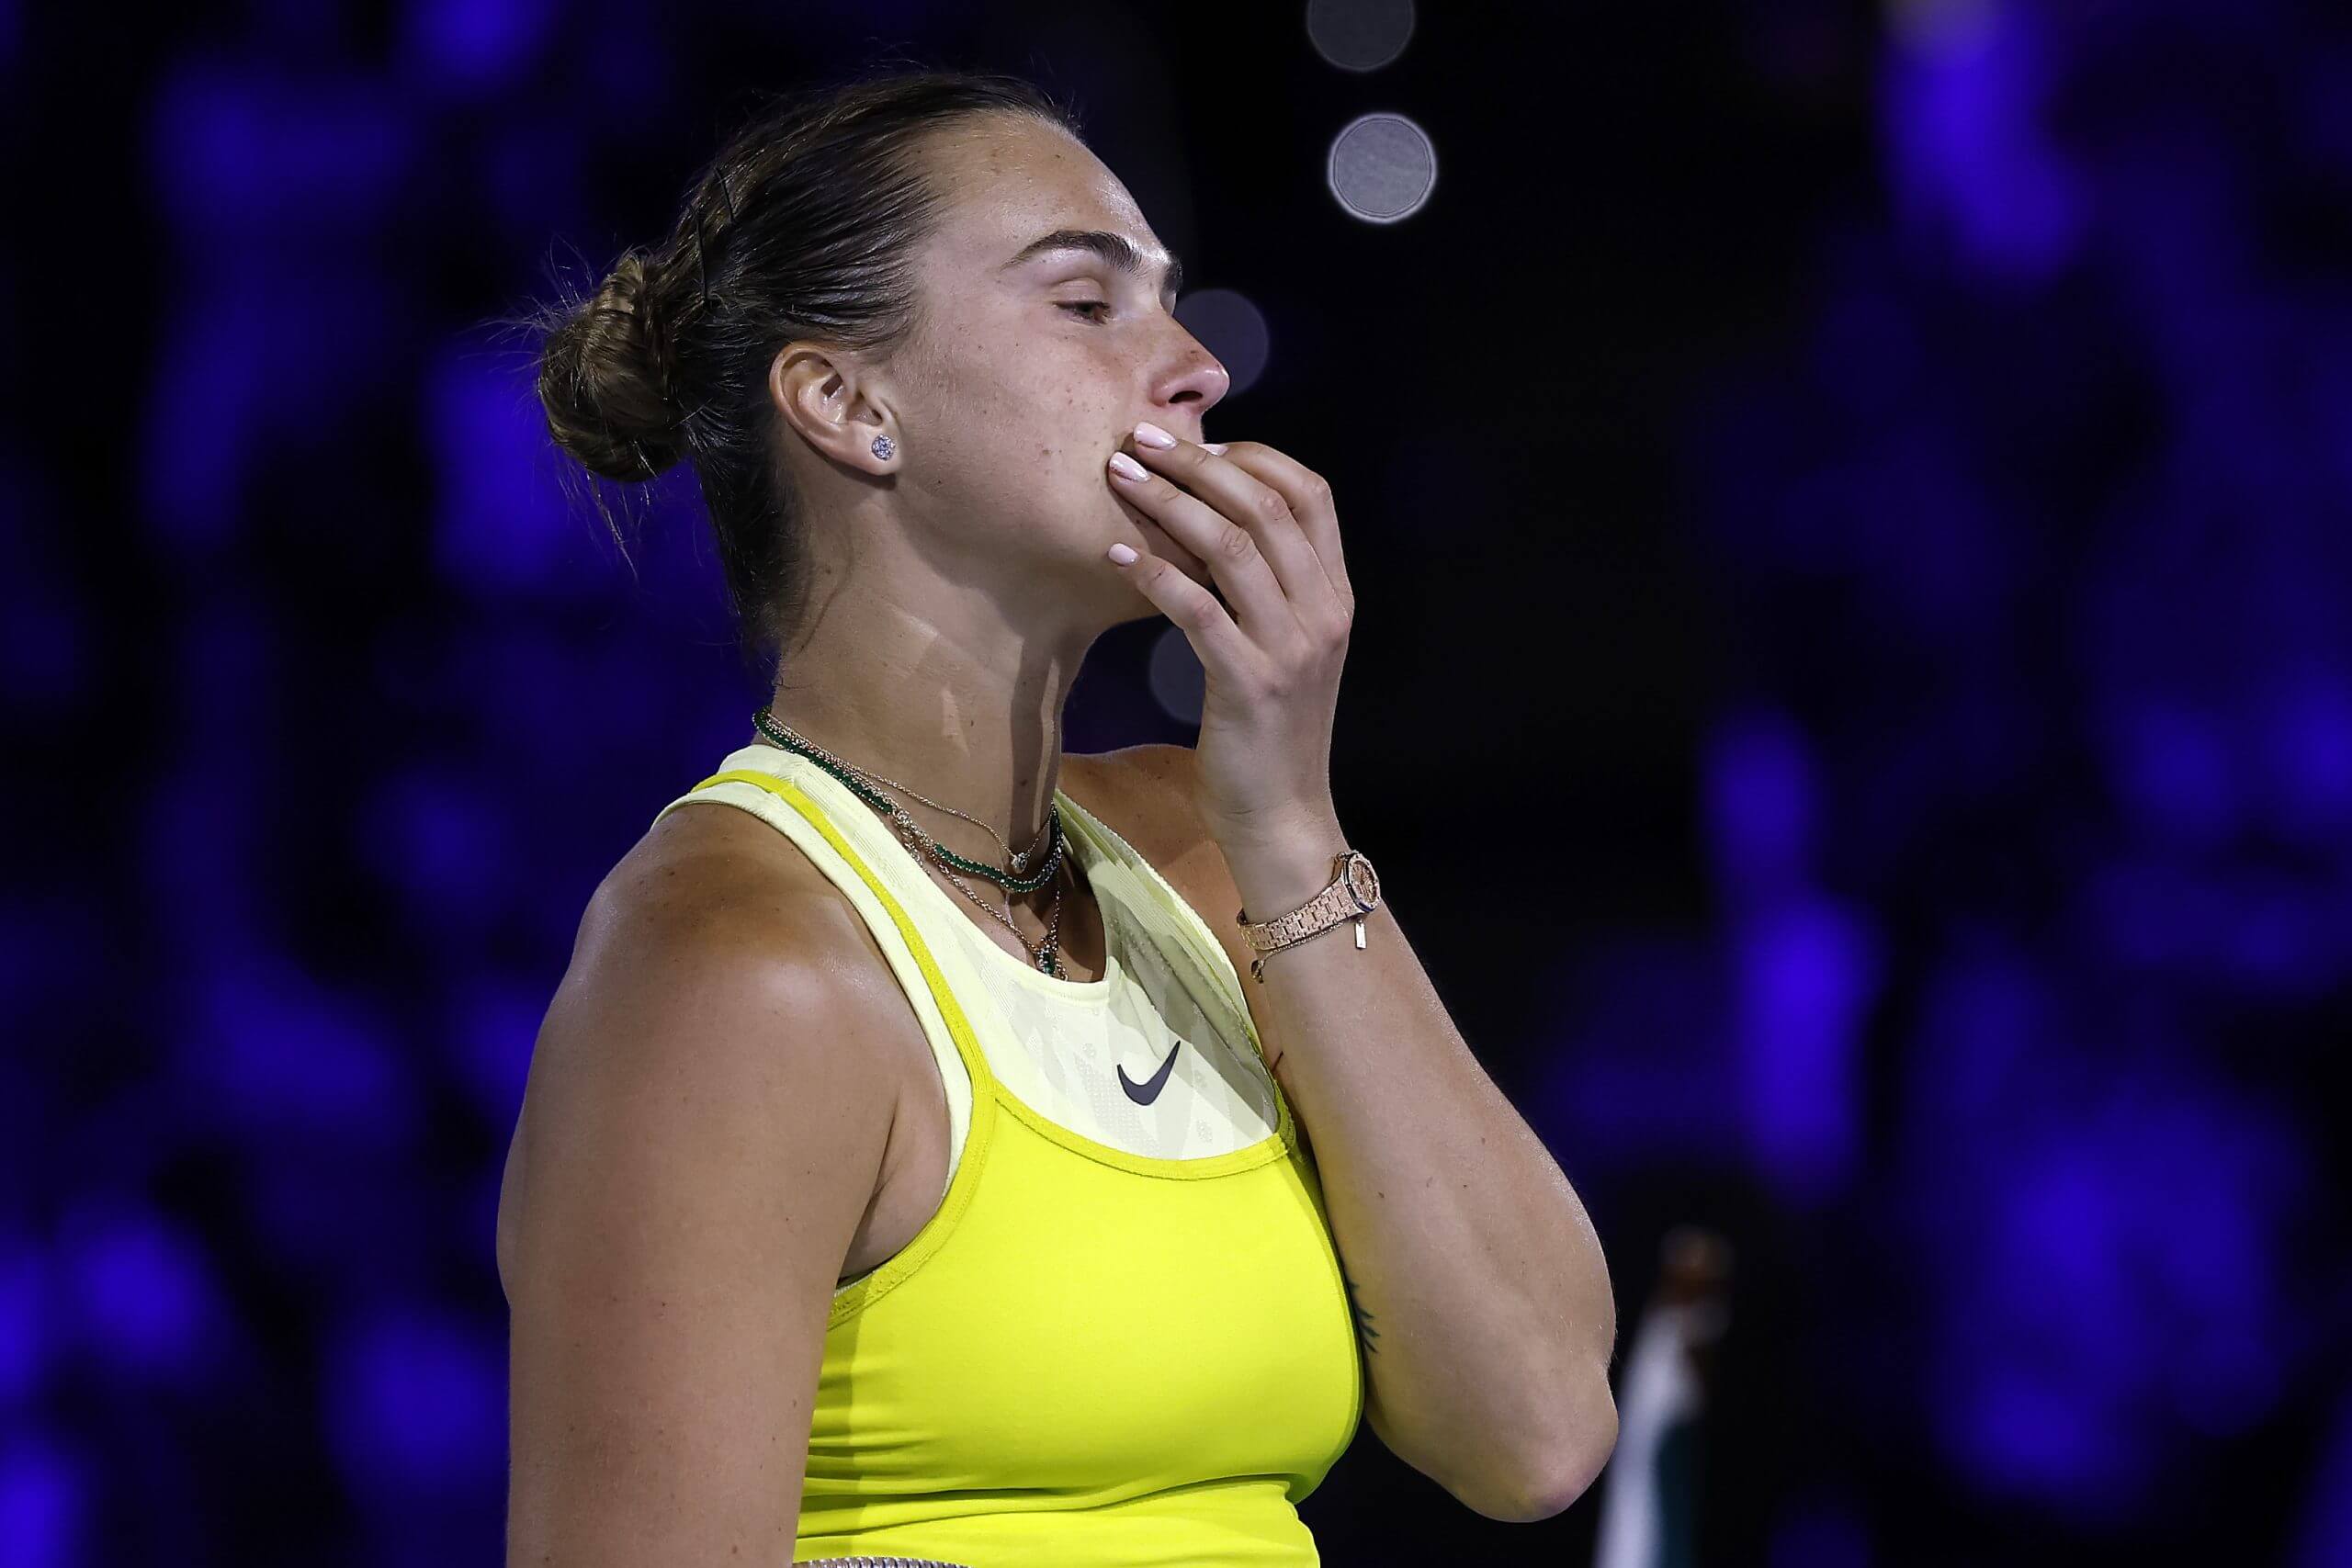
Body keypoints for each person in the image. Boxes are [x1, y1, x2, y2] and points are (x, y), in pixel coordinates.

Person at [497, 64, 1617, 1568]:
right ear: (848, 404)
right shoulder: (732, 964)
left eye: (1171, 301)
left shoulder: (1212, 849)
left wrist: (1291, 823)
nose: (1195, 368)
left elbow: (1536, 1428)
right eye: (1088, 304)